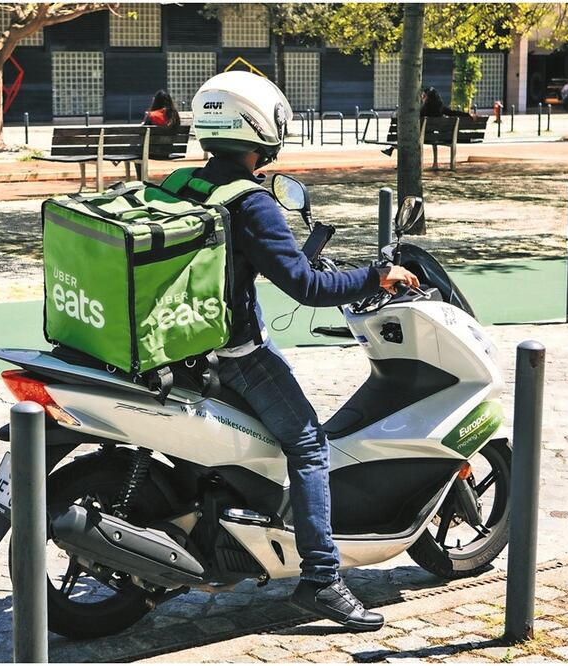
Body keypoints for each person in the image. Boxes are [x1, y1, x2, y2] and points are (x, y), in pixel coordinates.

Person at [189, 71, 419, 632]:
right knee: (310, 446)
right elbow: (307, 287)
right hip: (236, 353)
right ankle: (322, 579)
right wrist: (378, 276)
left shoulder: (180, 185)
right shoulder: (252, 203)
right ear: (261, 127)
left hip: (182, 347)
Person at [381, 87, 473, 156]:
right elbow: (453, 113)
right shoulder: (441, 109)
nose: (422, 98)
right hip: (435, 137)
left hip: (422, 137)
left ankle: (397, 155)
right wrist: (468, 115)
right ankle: (391, 149)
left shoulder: (423, 111)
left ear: (426, 97)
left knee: (407, 137)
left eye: (423, 96)